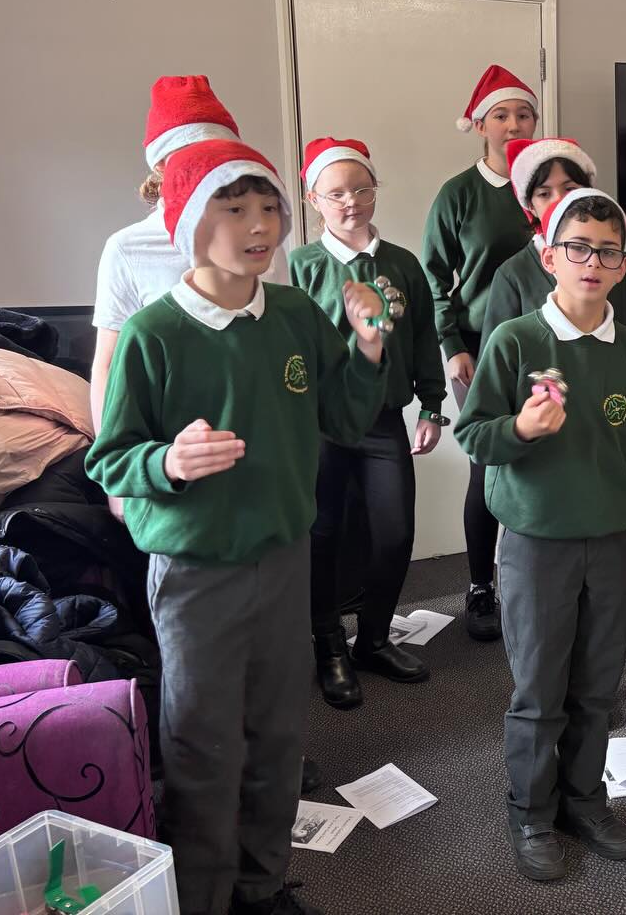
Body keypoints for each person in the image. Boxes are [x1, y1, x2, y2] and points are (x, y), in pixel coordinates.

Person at [86, 139, 388, 915]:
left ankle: (262, 884)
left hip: (283, 558)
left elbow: (344, 418)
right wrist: (168, 460)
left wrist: (367, 347)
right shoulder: (155, 333)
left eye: (269, 208)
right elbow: (110, 459)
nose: (259, 227)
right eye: (234, 208)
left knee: (279, 733)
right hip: (197, 572)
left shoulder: (293, 314)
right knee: (203, 742)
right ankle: (204, 896)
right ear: (188, 221)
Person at [455, 188, 626, 882]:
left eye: (607, 252)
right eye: (578, 248)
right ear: (549, 258)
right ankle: (531, 812)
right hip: (535, 543)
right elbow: (473, 434)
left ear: (623, 265)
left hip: (609, 543)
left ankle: (583, 799)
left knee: (597, 687)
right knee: (540, 690)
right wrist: (519, 428)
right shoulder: (517, 340)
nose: (592, 262)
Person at [289, 137, 447, 709]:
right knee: (323, 534)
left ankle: (374, 639)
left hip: (383, 421)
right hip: (321, 425)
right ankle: (328, 644)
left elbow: (424, 335)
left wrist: (431, 405)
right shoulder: (300, 266)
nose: (350, 201)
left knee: (395, 532)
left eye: (361, 189)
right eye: (336, 193)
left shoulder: (401, 263)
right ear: (314, 200)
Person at [91, 77, 289, 519]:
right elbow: (108, 363)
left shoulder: (261, 242)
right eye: (196, 156)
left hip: (258, 445)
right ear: (162, 166)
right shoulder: (127, 248)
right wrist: (117, 482)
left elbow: (282, 340)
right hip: (171, 452)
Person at [423, 64, 539, 641]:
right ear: (479, 126)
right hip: (478, 349)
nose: (514, 124)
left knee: (540, 459)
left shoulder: (544, 188)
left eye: (524, 114)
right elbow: (434, 277)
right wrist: (451, 346)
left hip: (542, 345)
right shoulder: (459, 194)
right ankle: (479, 586)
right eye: (502, 115)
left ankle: (534, 579)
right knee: (487, 466)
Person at [482, 137, 626, 341]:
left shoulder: (613, 262)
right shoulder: (512, 275)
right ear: (530, 206)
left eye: (570, 189)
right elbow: (498, 352)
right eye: (544, 194)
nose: (558, 200)